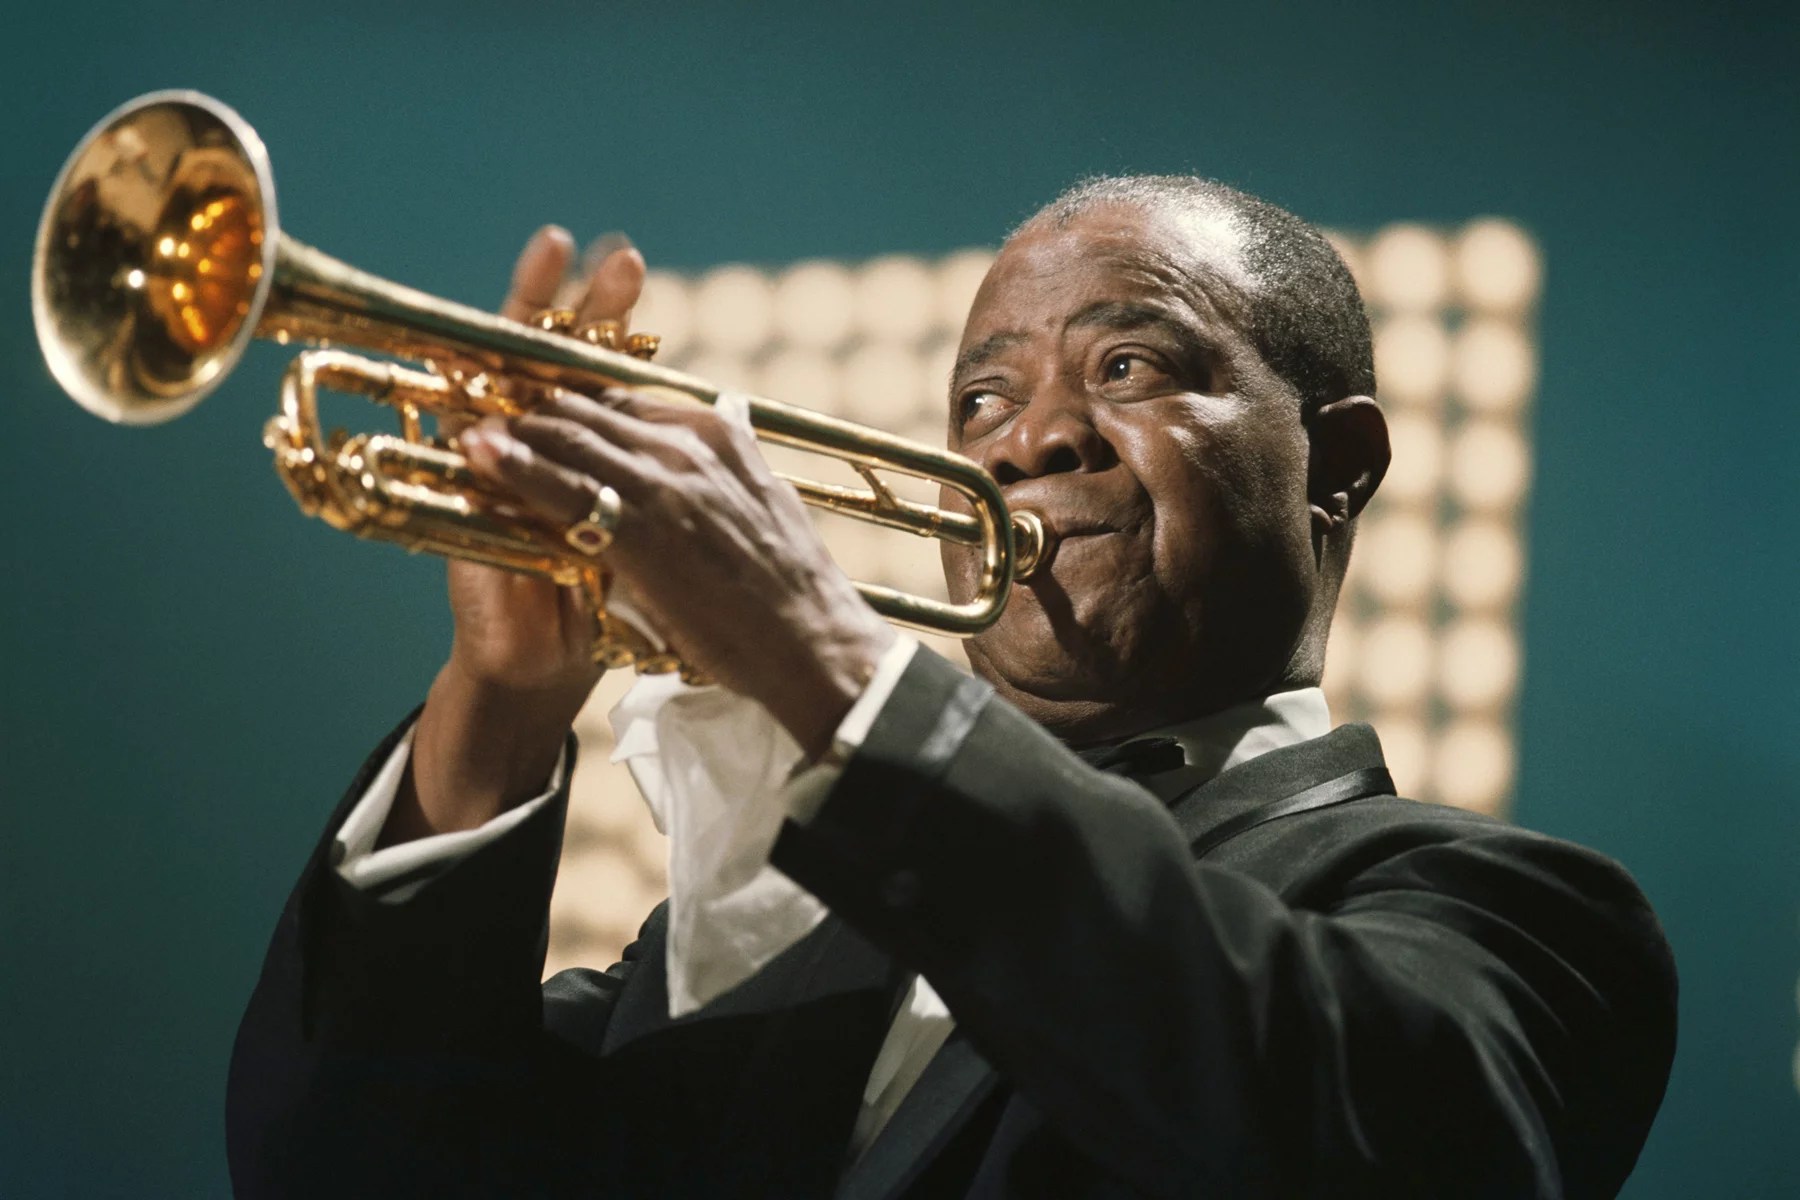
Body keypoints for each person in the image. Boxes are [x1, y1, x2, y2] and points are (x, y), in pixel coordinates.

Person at [226, 176, 1677, 1198]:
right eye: (981, 399)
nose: (1031, 436)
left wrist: (826, 664)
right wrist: (501, 702)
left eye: (1127, 363)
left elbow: (1360, 1148)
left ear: (1339, 463)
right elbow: (351, 1169)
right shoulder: (773, 931)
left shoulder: (1509, 920)